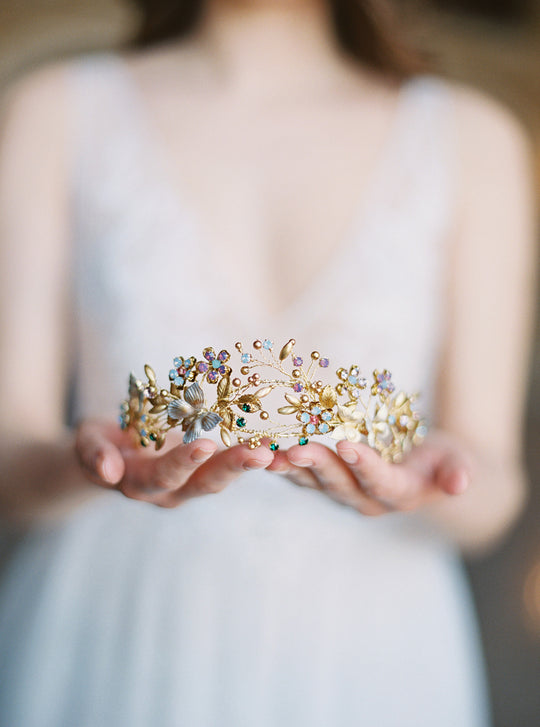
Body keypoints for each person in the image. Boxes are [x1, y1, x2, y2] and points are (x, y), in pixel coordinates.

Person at [0, 0, 536, 725]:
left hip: (374, 646)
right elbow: (10, 454)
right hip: (117, 619)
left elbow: (493, 484)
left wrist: (432, 479)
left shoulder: (473, 139)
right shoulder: (54, 111)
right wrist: (90, 464)